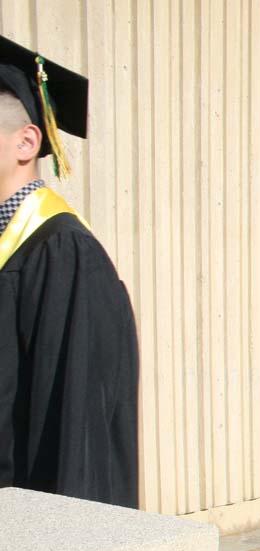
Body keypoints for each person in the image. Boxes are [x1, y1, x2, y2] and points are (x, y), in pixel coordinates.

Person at [0, 36, 138, 507]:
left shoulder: (62, 254)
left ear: (26, 142)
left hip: (24, 527)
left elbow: (77, 436)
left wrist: (64, 539)